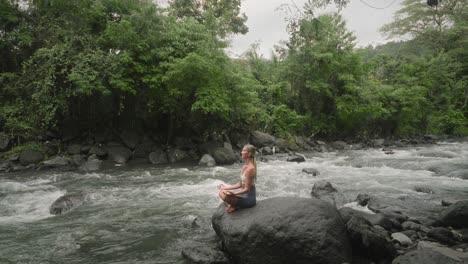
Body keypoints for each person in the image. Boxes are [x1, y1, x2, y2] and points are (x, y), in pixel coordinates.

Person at [217, 144, 257, 213]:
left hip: (249, 199)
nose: (241, 152)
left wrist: (234, 194)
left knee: (225, 196)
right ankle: (235, 205)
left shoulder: (251, 168)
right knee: (221, 192)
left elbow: (247, 189)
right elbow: (240, 184)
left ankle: (235, 205)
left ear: (249, 154)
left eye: (244, 150)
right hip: (243, 195)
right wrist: (225, 188)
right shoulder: (244, 166)